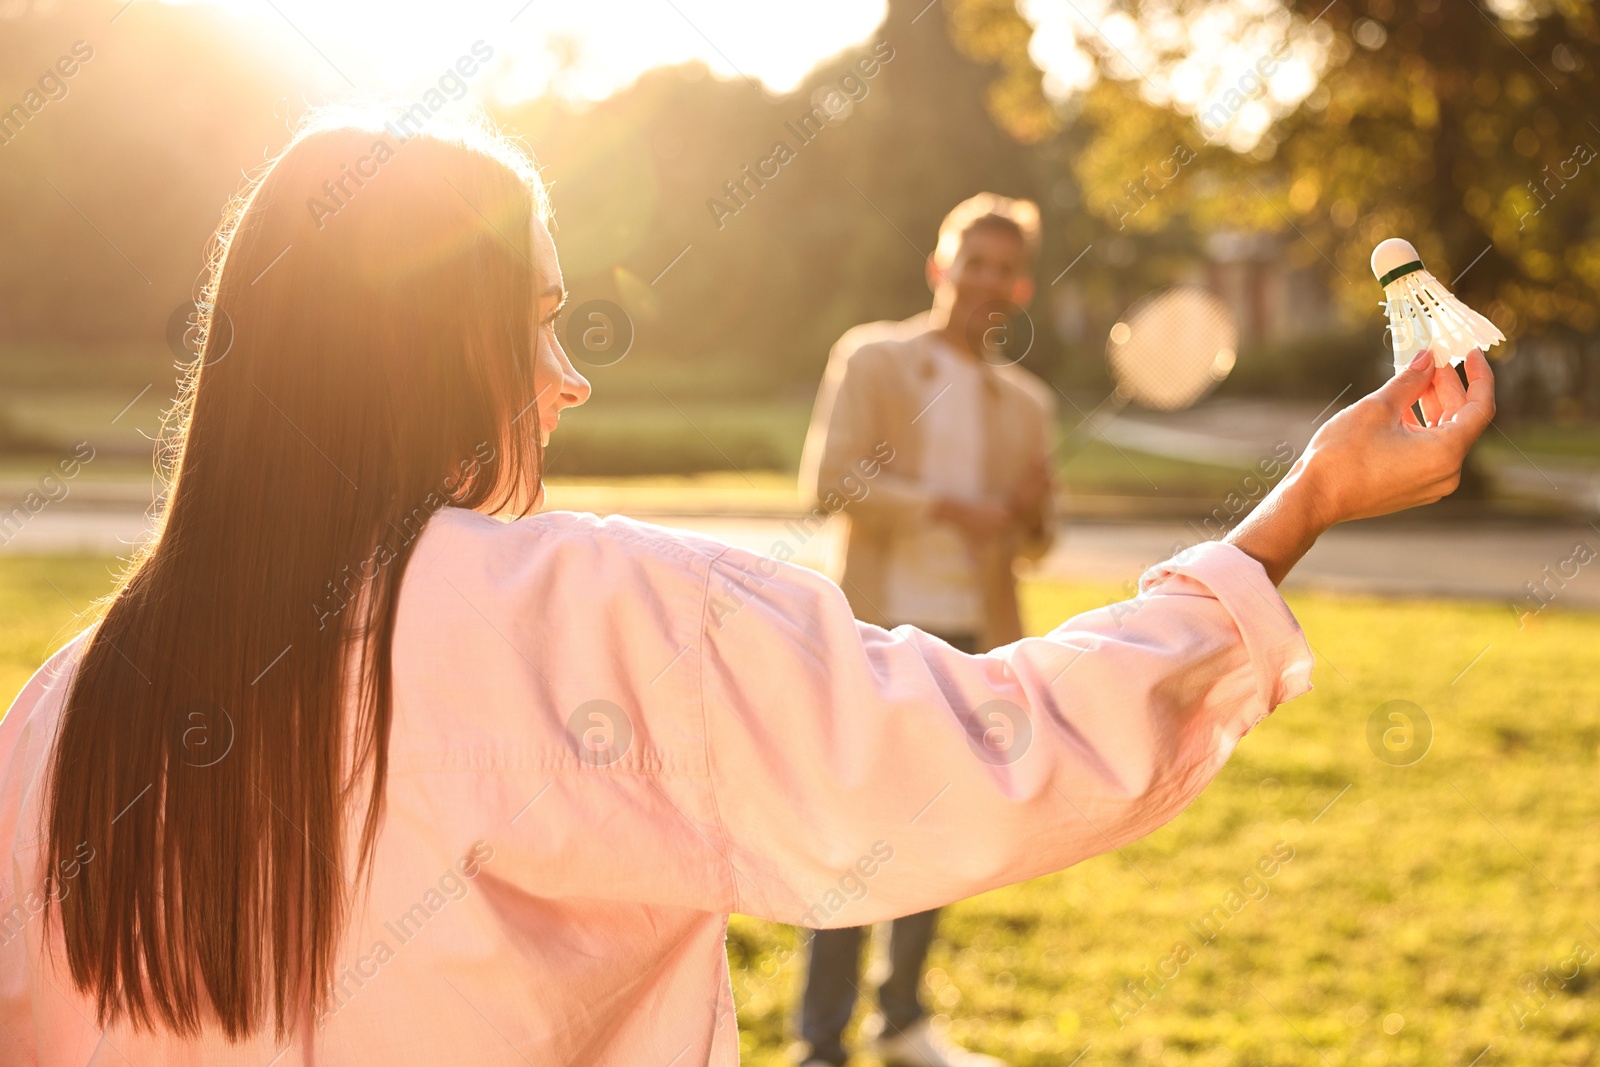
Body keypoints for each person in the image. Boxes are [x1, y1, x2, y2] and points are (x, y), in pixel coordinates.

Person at [0, 111, 1493, 1067]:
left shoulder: (63, 706)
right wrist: (1301, 508)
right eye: (534, 324)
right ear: (416, 346)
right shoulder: (583, 608)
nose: (570, 378)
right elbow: (982, 751)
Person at [794, 192, 1055, 1067]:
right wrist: (948, 506)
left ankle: (901, 1021)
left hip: (973, 642)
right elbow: (828, 485)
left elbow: (1035, 540)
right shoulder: (872, 358)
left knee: (937, 836)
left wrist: (1030, 510)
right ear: (940, 267)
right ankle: (820, 1040)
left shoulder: (1026, 403)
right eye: (968, 261)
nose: (983, 279)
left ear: (1018, 288)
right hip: (871, 633)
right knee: (855, 832)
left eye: (1001, 268)